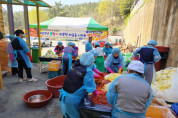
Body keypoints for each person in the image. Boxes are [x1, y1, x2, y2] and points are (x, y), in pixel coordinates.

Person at [59, 52, 96, 118]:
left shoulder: (76, 65)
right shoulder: (87, 71)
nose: (92, 63)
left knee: (67, 114)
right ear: (89, 62)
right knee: (73, 115)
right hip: (72, 97)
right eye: (92, 61)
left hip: (64, 93)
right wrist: (96, 91)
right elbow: (90, 88)